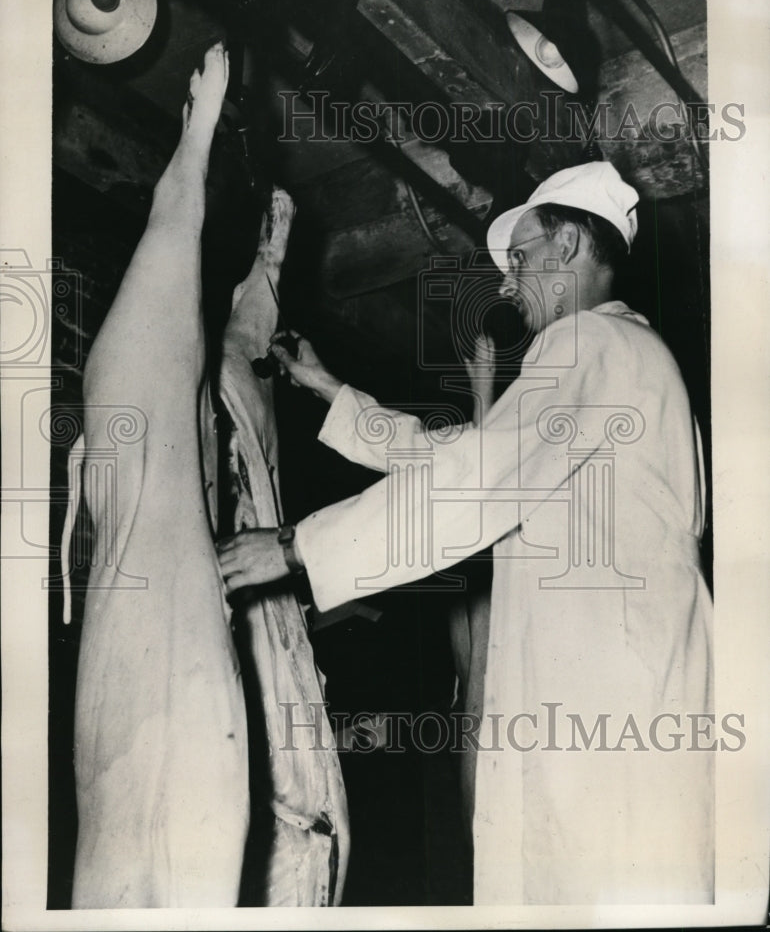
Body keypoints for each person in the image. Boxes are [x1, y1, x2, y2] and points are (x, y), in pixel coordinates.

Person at [217, 161, 714, 905]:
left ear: (571, 244)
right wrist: (329, 391)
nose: (508, 285)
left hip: (612, 712)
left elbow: (476, 479)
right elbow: (461, 461)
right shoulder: (622, 364)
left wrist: (293, 547)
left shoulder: (588, 345)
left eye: (521, 258)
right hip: (621, 706)